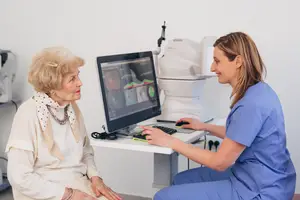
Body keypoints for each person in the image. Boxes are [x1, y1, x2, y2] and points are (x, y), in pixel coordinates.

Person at [141, 32, 296, 200]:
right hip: (267, 178)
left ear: (238, 61)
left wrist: (170, 141)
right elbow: (242, 134)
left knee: (163, 197)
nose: (212, 68)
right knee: (181, 180)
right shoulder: (259, 91)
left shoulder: (251, 104)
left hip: (260, 189)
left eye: (217, 61)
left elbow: (219, 163)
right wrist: (204, 127)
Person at [5, 47, 122, 200]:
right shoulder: (28, 114)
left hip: (76, 184)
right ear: (51, 85)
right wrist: (68, 195)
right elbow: (19, 177)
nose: (80, 83)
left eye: (78, 76)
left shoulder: (71, 108)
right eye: (72, 79)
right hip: (46, 192)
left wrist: (95, 178)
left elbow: (85, 151)